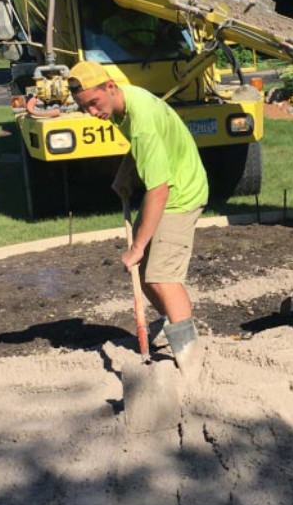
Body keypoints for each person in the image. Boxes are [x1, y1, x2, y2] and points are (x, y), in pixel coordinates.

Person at [67, 60, 208, 367]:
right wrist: (125, 172)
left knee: (161, 277)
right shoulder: (125, 102)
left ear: (110, 87)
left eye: (94, 103)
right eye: (84, 107)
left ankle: (190, 359)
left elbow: (159, 190)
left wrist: (137, 247)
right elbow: (143, 147)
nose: (92, 112)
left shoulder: (140, 118)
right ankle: (180, 325)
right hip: (171, 185)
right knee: (145, 278)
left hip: (181, 193)